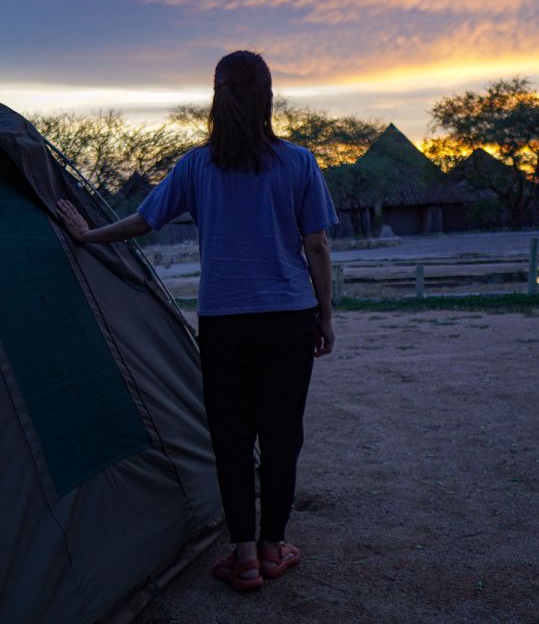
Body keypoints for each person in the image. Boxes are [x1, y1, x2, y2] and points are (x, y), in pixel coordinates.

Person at [56, 50, 337, 594]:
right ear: (268, 97)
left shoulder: (195, 166)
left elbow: (144, 220)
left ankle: (244, 557)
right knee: (282, 436)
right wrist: (325, 317)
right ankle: (274, 546)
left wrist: (88, 235)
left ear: (216, 97)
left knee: (231, 439)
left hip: (225, 323)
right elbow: (318, 246)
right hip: (288, 318)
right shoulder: (299, 163)